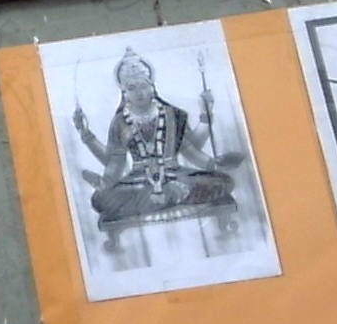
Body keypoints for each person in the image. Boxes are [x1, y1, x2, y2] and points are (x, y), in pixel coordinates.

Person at [76, 49, 239, 222]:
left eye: (143, 86)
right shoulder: (120, 122)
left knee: (223, 182)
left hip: (175, 176)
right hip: (138, 182)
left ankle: (160, 198)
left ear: (152, 87)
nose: (139, 93)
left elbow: (192, 150)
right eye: (132, 88)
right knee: (100, 199)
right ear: (124, 92)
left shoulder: (173, 115)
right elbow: (114, 163)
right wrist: (86, 135)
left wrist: (206, 117)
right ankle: (168, 197)